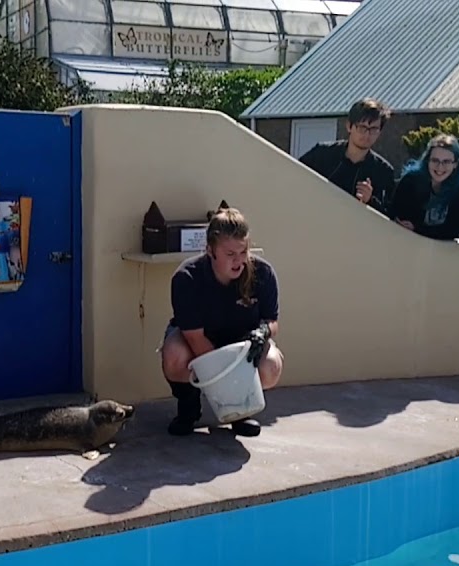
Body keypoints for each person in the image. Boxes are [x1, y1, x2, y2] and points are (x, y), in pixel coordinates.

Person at [159, 207, 284, 438]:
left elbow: (272, 320)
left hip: (242, 343)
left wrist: (263, 332)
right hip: (199, 340)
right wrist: (223, 380)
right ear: (210, 250)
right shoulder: (187, 278)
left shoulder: (263, 274)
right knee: (174, 356)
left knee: (271, 365)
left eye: (243, 251)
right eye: (230, 254)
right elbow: (194, 336)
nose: (239, 261)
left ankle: (239, 414)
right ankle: (188, 406)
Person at [297, 98, 396, 214]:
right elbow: (296, 176)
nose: (367, 134)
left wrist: (370, 200)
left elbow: (390, 218)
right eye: (362, 127)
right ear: (349, 126)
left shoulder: (383, 171)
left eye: (373, 129)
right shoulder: (322, 154)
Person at [387, 133, 459, 240]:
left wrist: (418, 229)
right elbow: (395, 217)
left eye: (446, 162)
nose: (440, 167)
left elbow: (452, 231)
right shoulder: (410, 182)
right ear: (427, 160)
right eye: (435, 160)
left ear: (456, 164)